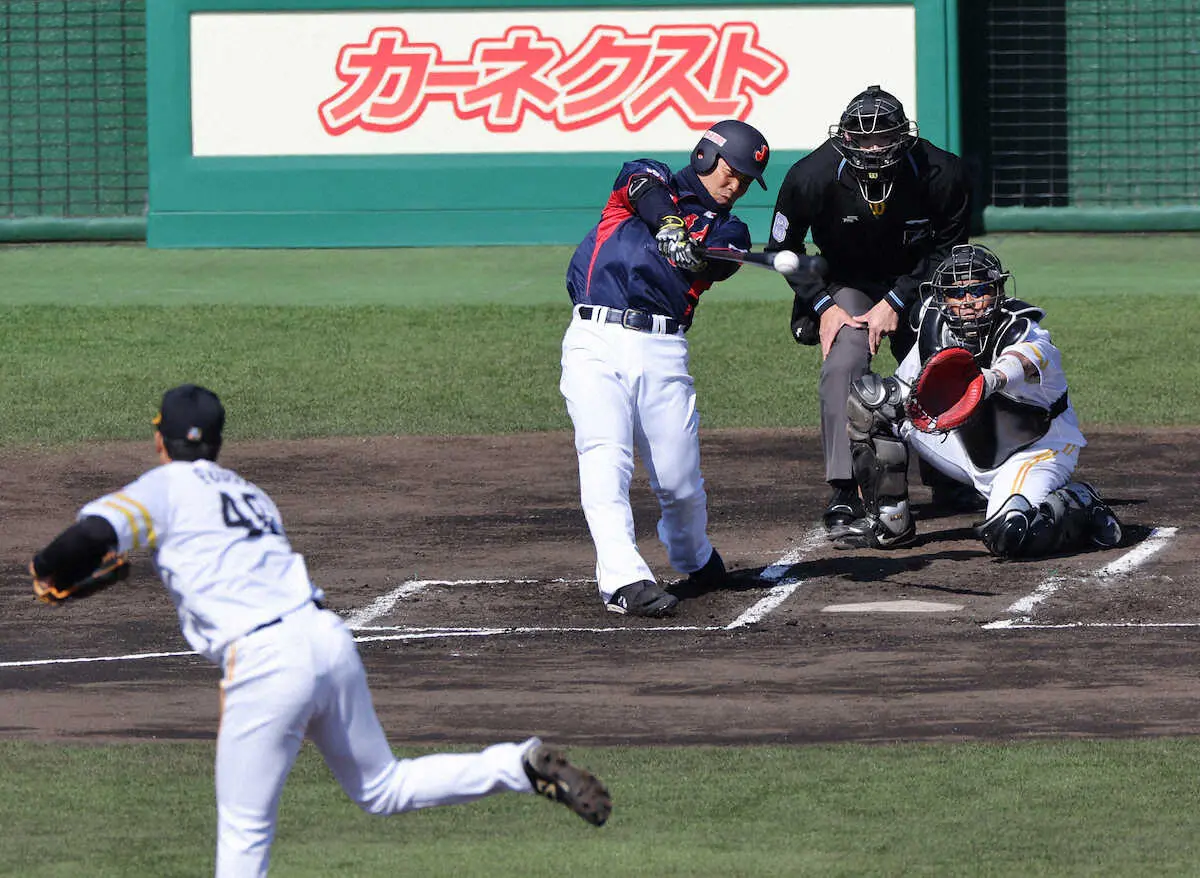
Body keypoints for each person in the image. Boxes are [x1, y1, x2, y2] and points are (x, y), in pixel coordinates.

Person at [28, 384, 612, 877]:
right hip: (326, 638)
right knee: (382, 786)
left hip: (264, 660)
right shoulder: (251, 494)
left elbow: (86, 540)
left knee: (244, 834)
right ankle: (515, 765)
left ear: (160, 440)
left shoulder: (164, 485)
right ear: (218, 441)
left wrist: (45, 572)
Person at [560, 119, 770, 617]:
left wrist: (696, 252)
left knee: (678, 480)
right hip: (594, 338)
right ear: (704, 156)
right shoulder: (647, 178)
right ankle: (622, 579)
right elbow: (644, 188)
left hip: (662, 349)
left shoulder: (729, 230)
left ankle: (693, 554)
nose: (735, 184)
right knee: (604, 455)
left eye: (745, 180)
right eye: (731, 170)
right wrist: (670, 226)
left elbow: (716, 261)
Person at [765, 85, 977, 532]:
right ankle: (845, 488)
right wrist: (823, 305)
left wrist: (897, 301)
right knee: (843, 360)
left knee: (941, 353)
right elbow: (783, 250)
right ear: (845, 138)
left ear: (905, 136)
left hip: (918, 281)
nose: (873, 147)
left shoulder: (942, 172)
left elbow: (948, 248)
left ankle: (949, 473)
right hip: (847, 281)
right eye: (863, 139)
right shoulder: (812, 174)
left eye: (883, 137)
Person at [827, 243, 1123, 557]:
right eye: (957, 293)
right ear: (943, 298)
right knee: (873, 402)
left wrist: (987, 381)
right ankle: (890, 524)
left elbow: (1020, 363)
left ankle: (1080, 502)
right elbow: (904, 389)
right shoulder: (936, 329)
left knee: (1010, 535)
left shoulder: (1023, 329)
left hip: (1036, 449)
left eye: (978, 290)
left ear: (996, 291)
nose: (968, 302)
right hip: (970, 448)